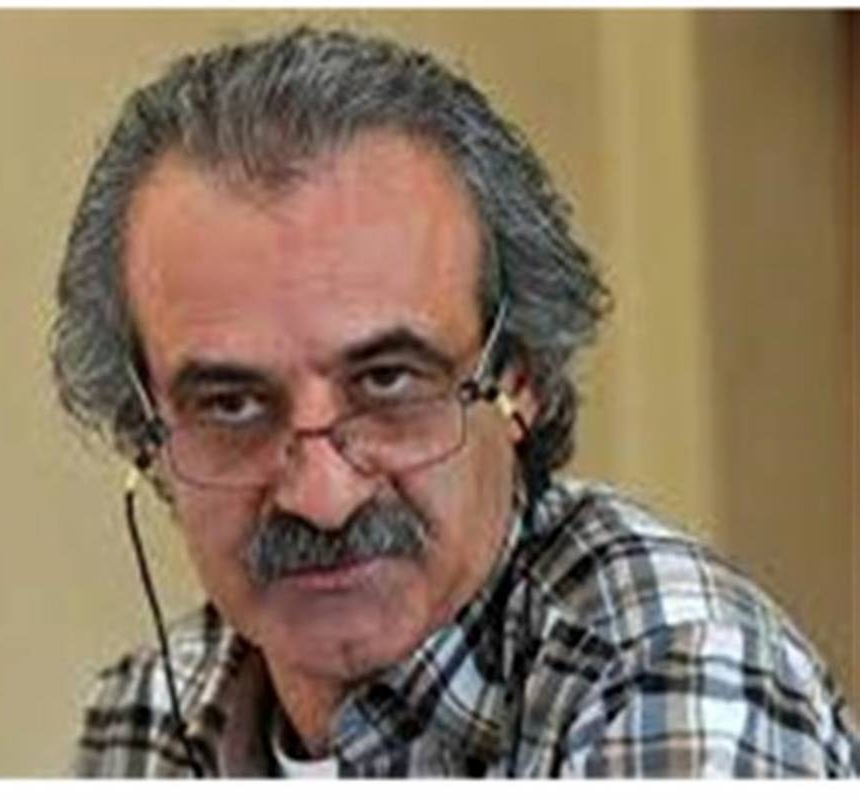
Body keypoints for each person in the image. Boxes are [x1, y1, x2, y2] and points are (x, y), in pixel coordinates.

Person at [51, 26, 859, 777]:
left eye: (388, 382)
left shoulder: (669, 670)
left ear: (519, 380)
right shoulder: (149, 713)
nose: (322, 498)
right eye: (232, 404)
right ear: (143, 435)